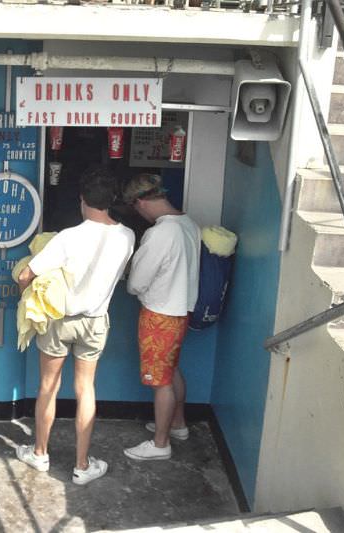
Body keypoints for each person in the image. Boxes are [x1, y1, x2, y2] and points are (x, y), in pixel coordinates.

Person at [15, 166, 134, 485]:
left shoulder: (68, 237)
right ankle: (82, 466)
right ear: (112, 200)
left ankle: (40, 454)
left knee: (48, 387)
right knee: (86, 390)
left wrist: (24, 292)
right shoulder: (127, 236)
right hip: (95, 322)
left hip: (59, 321)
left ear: (82, 200)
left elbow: (29, 275)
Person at [122, 173, 200, 461]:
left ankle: (160, 444)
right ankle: (177, 423)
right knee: (172, 369)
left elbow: (136, 283)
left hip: (160, 314)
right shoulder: (188, 224)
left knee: (160, 381)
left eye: (135, 208)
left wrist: (130, 277)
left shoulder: (160, 233)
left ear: (141, 202)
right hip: (181, 311)